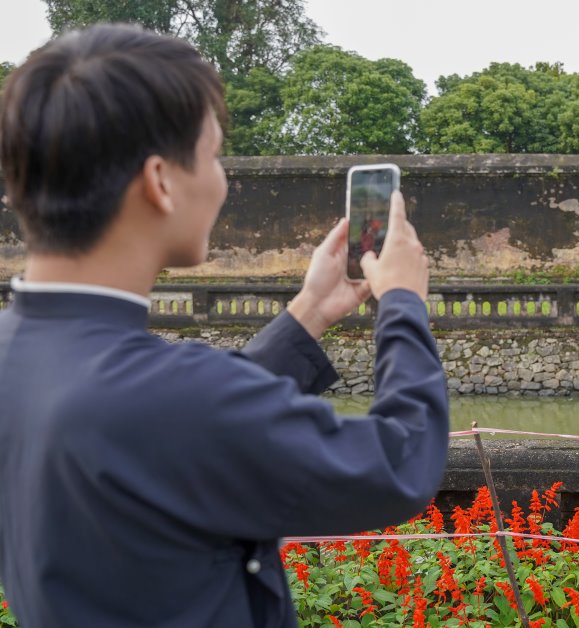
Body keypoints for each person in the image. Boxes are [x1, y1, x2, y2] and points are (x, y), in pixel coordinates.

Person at [0, 24, 448, 627]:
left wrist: (308, 314)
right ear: (160, 181)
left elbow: (173, 429)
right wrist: (403, 305)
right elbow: (398, 463)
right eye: (213, 156)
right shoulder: (168, 395)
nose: (221, 180)